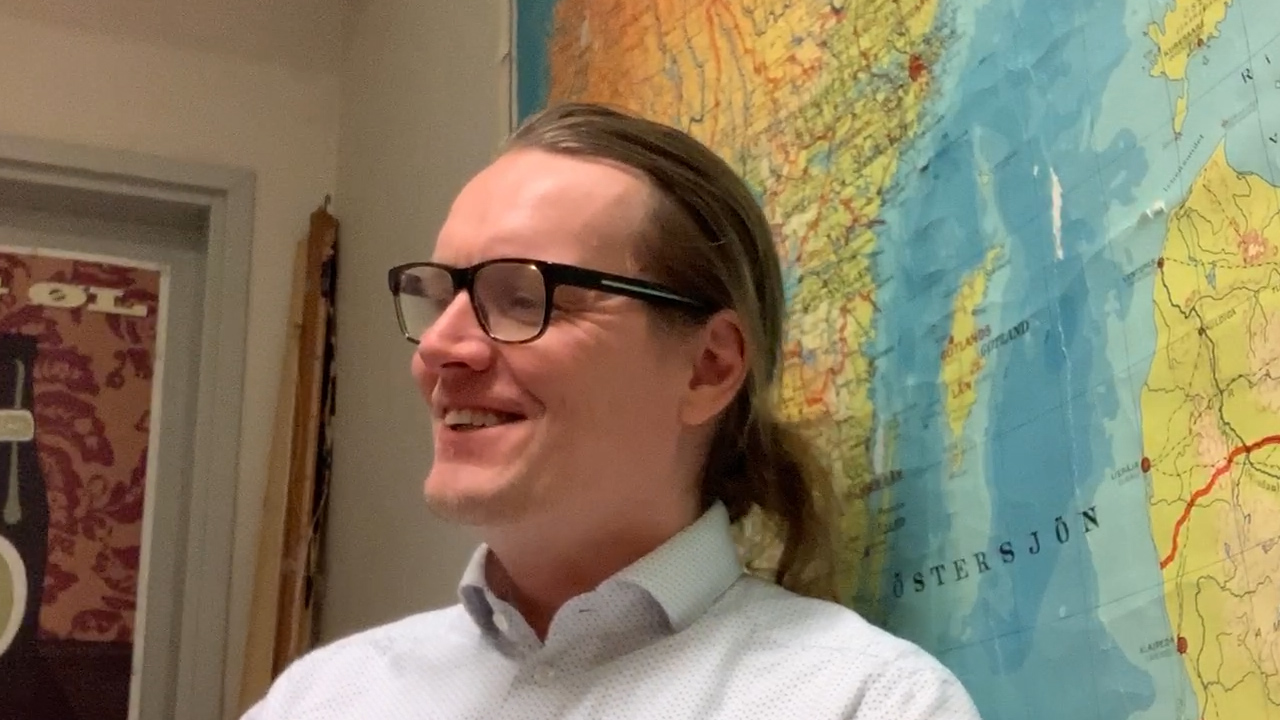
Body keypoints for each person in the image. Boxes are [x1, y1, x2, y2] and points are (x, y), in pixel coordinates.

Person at [242, 102, 982, 719]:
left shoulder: (868, 703)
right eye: (440, 299)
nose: (439, 348)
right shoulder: (323, 697)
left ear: (709, 366)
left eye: (524, 298)